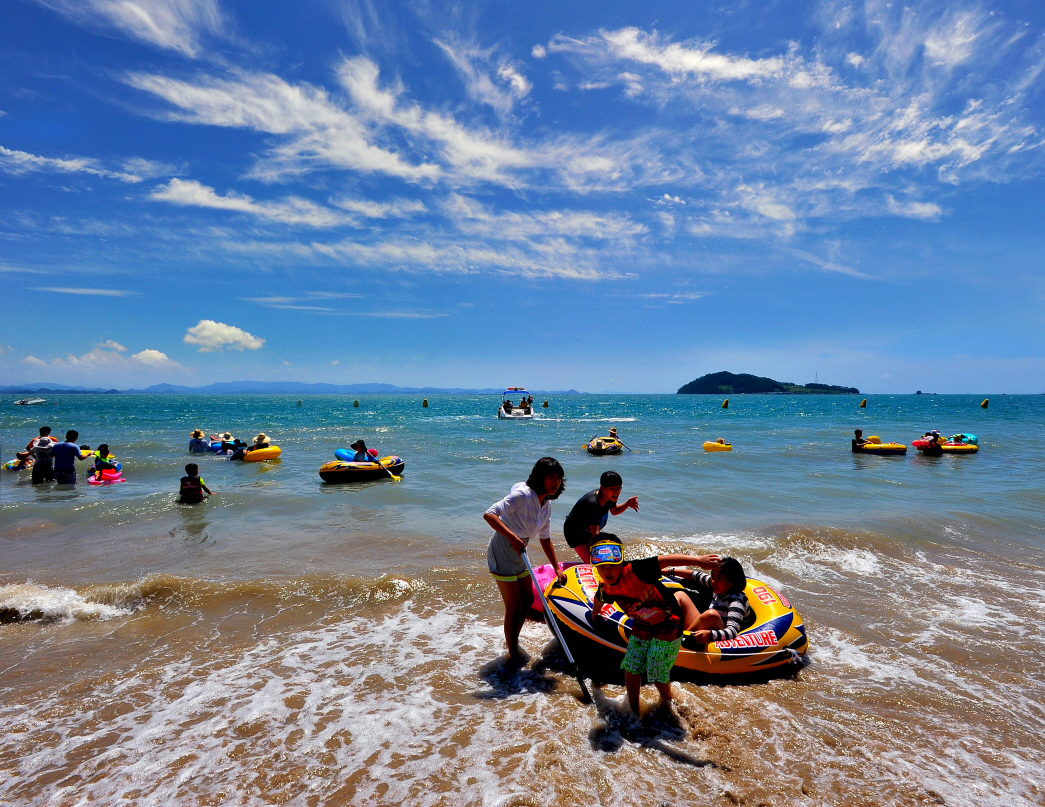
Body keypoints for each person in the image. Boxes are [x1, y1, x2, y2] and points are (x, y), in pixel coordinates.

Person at [589, 535, 721, 715]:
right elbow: (599, 599)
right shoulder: (607, 587)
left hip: (669, 625)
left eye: (612, 566)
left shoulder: (637, 570)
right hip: (642, 626)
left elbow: (665, 560)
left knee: (657, 673)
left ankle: (668, 701)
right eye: (602, 567)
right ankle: (634, 710)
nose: (607, 572)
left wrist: (699, 561)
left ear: (621, 562)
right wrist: (595, 613)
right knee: (630, 668)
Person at [484, 457, 568, 664]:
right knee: (514, 606)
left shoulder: (545, 504)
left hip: (520, 548)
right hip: (504, 547)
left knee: (528, 601)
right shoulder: (522, 495)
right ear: (540, 477)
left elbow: (545, 538)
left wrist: (557, 568)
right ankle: (512, 651)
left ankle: (514, 638)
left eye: (558, 478)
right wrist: (513, 538)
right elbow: (490, 514)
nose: (555, 482)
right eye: (551, 477)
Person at [666, 557, 750, 646]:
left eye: (718, 578)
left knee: (711, 615)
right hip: (706, 628)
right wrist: (665, 571)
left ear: (731, 582)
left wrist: (709, 634)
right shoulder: (719, 586)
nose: (713, 581)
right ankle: (663, 626)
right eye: (712, 576)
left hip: (720, 639)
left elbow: (732, 632)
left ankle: (678, 643)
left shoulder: (737, 601)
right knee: (680, 595)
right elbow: (695, 575)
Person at [562, 470, 640, 562]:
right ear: (602, 488)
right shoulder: (591, 503)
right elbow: (595, 533)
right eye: (612, 488)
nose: (616, 492)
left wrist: (627, 504)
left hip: (589, 531)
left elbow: (614, 511)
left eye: (618, 488)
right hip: (575, 532)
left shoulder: (610, 496)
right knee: (595, 561)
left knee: (604, 558)